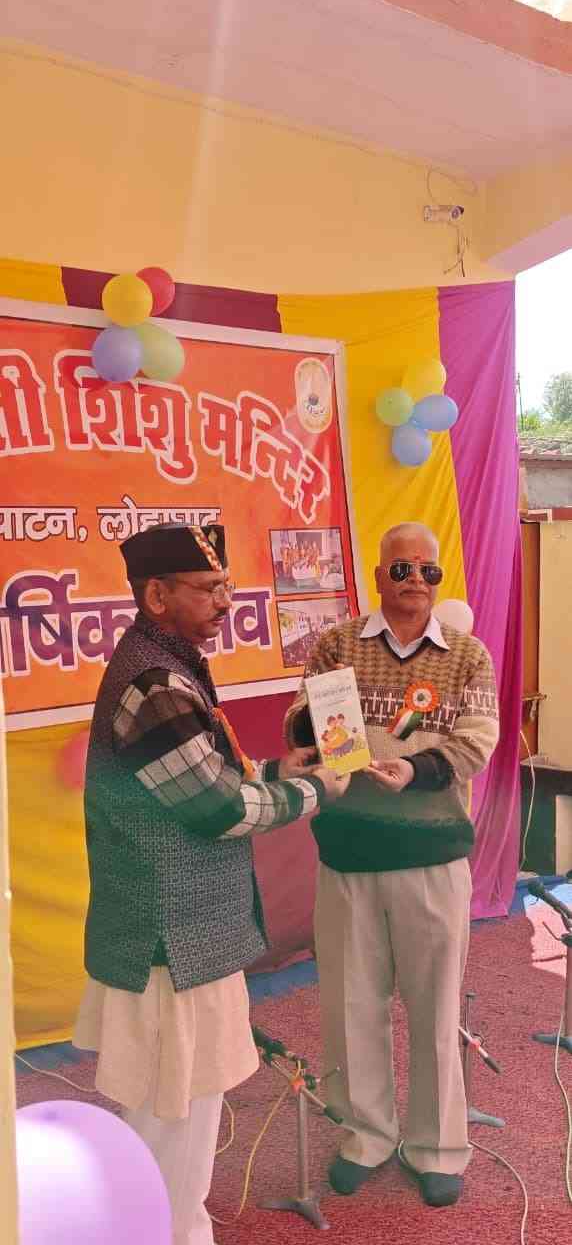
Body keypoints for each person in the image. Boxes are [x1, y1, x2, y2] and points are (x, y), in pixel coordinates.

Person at [73, 522, 349, 1245]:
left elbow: (202, 778)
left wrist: (279, 773)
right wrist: (315, 791)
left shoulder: (168, 664)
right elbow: (218, 810)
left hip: (184, 934)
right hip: (172, 938)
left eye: (226, 585)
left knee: (179, 1111)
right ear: (155, 596)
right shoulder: (153, 684)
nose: (225, 602)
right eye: (206, 589)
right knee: (174, 1113)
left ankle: (166, 1225)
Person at [284, 522, 499, 1208]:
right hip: (349, 854)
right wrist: (319, 735)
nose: (414, 581)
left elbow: (478, 740)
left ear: (439, 579)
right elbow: (303, 718)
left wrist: (412, 768)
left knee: (435, 1010)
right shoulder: (336, 644)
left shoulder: (467, 655)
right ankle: (365, 1136)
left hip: (431, 858)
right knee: (351, 1004)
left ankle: (437, 1148)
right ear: (379, 576)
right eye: (400, 569)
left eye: (427, 571)